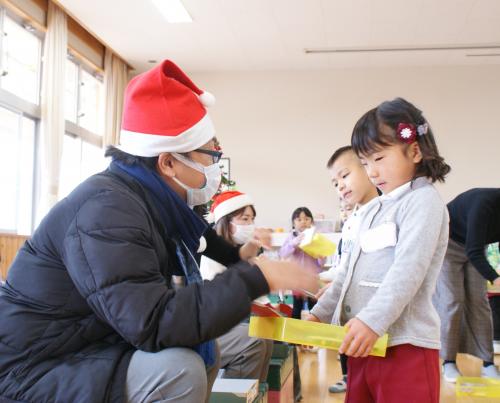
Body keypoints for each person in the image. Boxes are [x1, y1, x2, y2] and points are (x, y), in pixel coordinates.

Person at [0, 60, 317, 403]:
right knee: (178, 371)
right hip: (34, 369)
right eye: (210, 155)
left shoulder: (147, 200)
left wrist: (249, 262)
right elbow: (154, 322)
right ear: (167, 162)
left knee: (207, 349)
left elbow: (205, 244)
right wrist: (258, 276)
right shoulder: (107, 211)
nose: (215, 171)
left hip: (90, 345)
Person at [308, 97, 451, 403]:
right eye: (364, 162)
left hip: (405, 346)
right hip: (362, 342)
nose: (371, 172)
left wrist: (372, 321)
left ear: (414, 151)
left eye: (378, 158)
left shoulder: (423, 202)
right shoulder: (372, 210)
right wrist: (320, 314)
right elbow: (347, 273)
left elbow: (407, 272)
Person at [317, 146, 379, 394]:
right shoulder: (352, 221)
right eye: (335, 182)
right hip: (351, 315)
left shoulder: (382, 211)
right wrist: (322, 282)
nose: (340, 186)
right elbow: (345, 266)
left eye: (344, 175)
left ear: (366, 167)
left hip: (375, 319)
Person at [199, 190, 273, 382]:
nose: (250, 225)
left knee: (267, 336)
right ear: (226, 222)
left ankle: (257, 395)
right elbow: (220, 303)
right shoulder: (211, 256)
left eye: (252, 219)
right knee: (253, 340)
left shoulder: (241, 253)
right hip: (213, 327)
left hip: (231, 323)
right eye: (244, 219)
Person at [434, 188, 500, 382]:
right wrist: (496, 278)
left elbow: (477, 249)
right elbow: (473, 251)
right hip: (448, 243)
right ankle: (449, 362)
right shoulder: (485, 203)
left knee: (480, 302)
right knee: (452, 301)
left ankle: (487, 363)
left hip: (475, 248)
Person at [280, 207, 325, 320]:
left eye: (306, 219)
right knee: (297, 307)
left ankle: (311, 331)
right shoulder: (291, 237)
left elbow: (322, 262)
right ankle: (295, 333)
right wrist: (294, 244)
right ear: (293, 223)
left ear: (311, 221)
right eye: (299, 219)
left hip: (313, 278)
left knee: (313, 307)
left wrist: (321, 256)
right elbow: (283, 253)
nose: (303, 221)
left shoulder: (317, 238)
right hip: (297, 278)